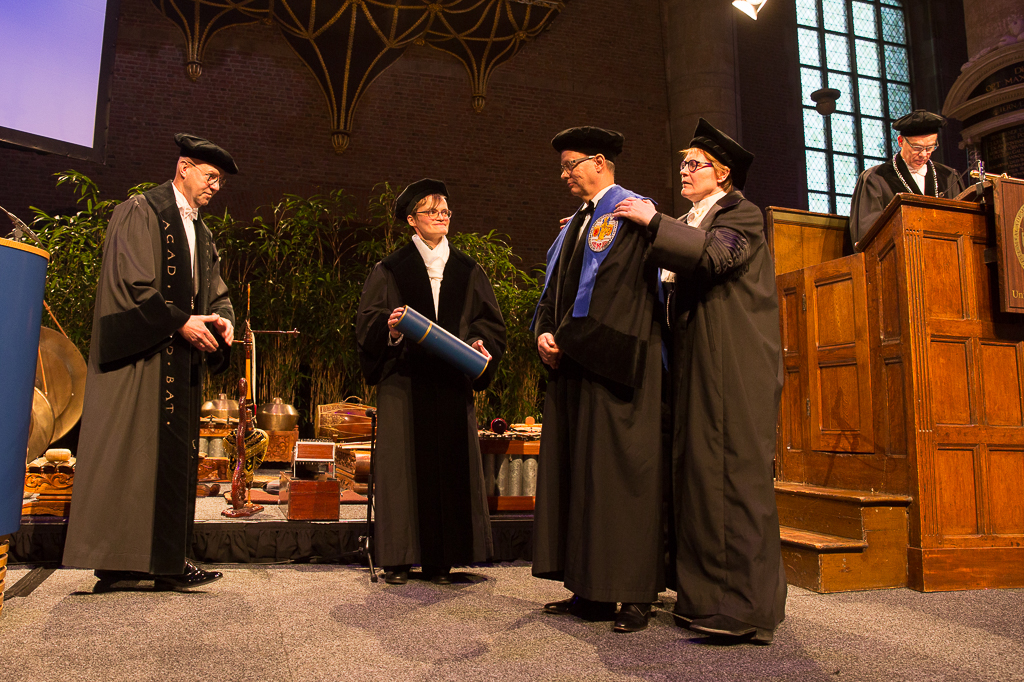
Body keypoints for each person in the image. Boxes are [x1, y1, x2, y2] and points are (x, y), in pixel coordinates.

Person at [613, 118, 787, 644]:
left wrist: (652, 221)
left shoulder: (741, 214)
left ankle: (746, 609)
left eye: (696, 164)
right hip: (697, 362)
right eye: (684, 163)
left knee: (734, 477)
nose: (685, 171)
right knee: (700, 478)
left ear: (723, 173)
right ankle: (703, 598)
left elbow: (714, 256)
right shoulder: (694, 218)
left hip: (733, 365)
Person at [63, 133, 237, 590]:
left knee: (166, 462)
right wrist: (180, 322)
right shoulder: (141, 211)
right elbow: (132, 284)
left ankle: (167, 561)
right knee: (132, 456)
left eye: (220, 180)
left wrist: (222, 319)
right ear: (184, 167)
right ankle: (120, 561)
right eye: (210, 176)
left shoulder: (201, 231)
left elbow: (215, 290)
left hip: (177, 360)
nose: (215, 186)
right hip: (143, 361)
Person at [532, 126, 664, 633]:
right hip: (578, 363)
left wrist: (568, 338)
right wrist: (545, 332)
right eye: (563, 168)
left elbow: (614, 288)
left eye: (571, 165)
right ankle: (589, 590)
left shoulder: (630, 212)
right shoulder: (575, 224)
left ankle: (634, 595)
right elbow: (555, 287)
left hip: (616, 364)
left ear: (600, 162)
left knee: (621, 481)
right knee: (584, 478)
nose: (565, 175)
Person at [355, 178, 506, 585]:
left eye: (445, 212)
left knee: (451, 467)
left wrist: (480, 342)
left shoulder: (468, 270)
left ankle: (443, 558)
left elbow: (490, 324)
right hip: (405, 384)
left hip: (452, 384)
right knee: (403, 469)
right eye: (432, 212)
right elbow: (367, 325)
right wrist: (390, 331)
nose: (441, 217)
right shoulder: (390, 269)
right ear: (411, 220)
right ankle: (399, 558)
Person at [848, 109, 965, 247]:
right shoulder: (876, 178)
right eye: (917, 147)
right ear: (900, 141)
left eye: (930, 147)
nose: (924, 154)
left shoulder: (948, 176)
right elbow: (868, 237)